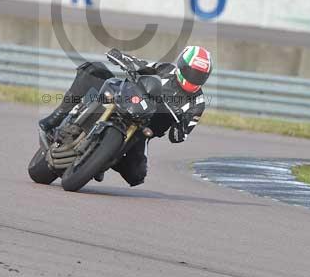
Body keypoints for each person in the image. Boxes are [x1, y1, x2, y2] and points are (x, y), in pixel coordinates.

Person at [38, 45, 213, 187]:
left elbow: (178, 137)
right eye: (192, 72)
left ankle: (101, 159)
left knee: (137, 175)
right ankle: (57, 117)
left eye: (200, 76)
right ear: (182, 65)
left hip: (142, 130)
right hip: (127, 99)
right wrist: (122, 57)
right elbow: (141, 65)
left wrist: (181, 123)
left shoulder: (197, 103)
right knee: (94, 71)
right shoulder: (165, 69)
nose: (194, 78)